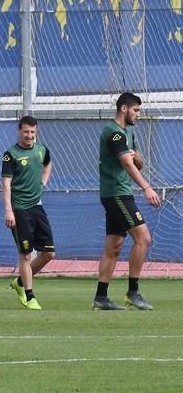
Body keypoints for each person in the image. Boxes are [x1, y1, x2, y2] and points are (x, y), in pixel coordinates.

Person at [93, 92, 161, 310]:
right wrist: (147, 187)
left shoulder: (128, 132)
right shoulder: (114, 133)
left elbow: (137, 161)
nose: (138, 115)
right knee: (143, 238)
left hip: (119, 193)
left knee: (114, 245)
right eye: (136, 110)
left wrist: (138, 157)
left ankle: (101, 298)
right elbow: (127, 164)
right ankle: (133, 292)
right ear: (124, 108)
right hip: (117, 194)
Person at [2, 115, 55, 310]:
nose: (29, 135)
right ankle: (30, 296)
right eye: (26, 131)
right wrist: (9, 210)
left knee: (49, 253)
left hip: (37, 206)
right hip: (20, 209)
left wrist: (43, 182)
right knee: (26, 255)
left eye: (32, 132)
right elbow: (6, 184)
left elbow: (48, 163)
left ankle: (20, 282)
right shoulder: (11, 155)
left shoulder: (41, 150)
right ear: (19, 131)